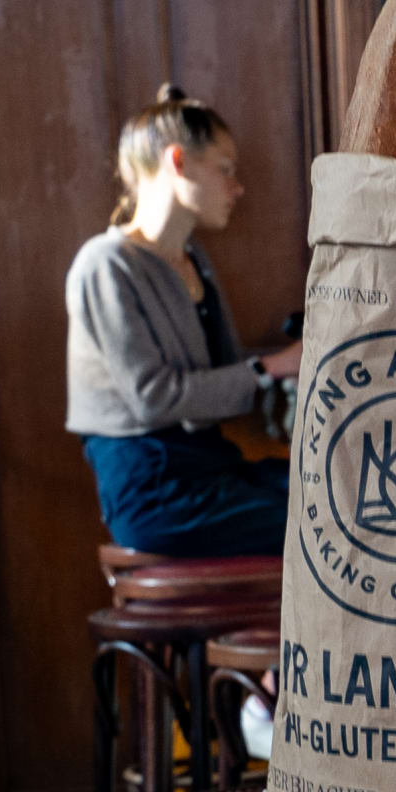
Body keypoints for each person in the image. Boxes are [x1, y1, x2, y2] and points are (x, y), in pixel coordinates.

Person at [64, 86, 298, 558]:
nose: (238, 187)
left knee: (339, 495)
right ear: (177, 162)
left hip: (210, 465)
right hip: (154, 489)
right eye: (225, 169)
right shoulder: (106, 263)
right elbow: (154, 399)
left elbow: (224, 374)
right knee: (324, 519)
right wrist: (272, 367)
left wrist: (299, 363)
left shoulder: (193, 259)